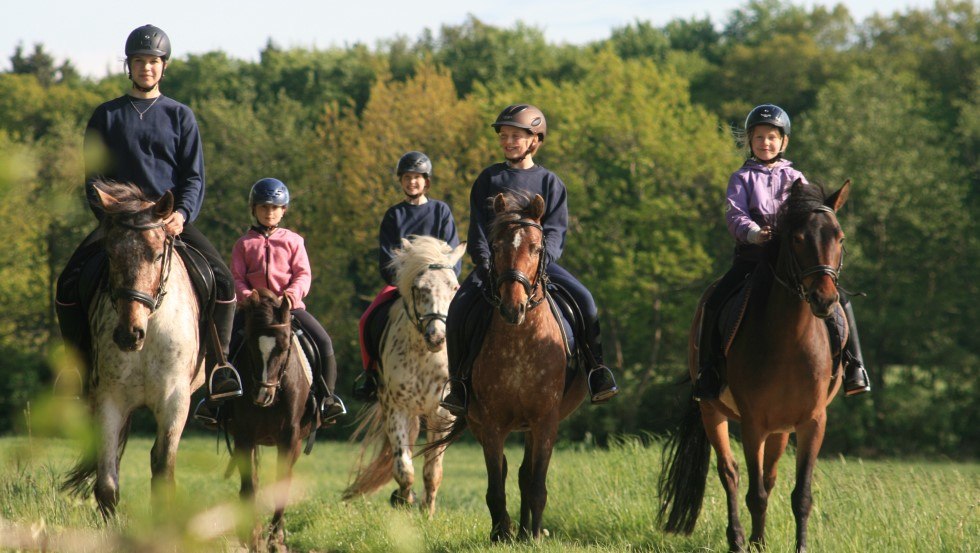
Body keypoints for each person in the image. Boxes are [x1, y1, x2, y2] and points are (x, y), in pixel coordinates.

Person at [55, 24, 242, 402]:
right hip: (120, 224)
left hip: (166, 222)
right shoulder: (106, 116)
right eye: (139, 61)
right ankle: (76, 368)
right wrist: (112, 219)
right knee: (68, 282)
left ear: (164, 67)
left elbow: (193, 177)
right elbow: (94, 180)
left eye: (153, 62)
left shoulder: (180, 116)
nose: (146, 68)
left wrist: (182, 215)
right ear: (129, 66)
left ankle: (220, 367)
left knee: (223, 282)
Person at [440, 104, 619, 416]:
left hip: (538, 268)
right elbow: (478, 226)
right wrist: (483, 262)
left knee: (586, 301)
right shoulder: (488, 178)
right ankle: (459, 385)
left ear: (535, 140)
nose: (509, 141)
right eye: (505, 136)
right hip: (492, 268)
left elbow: (556, 231)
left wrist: (538, 264)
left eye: (516, 136)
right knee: (458, 308)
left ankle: (596, 371)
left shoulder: (550, 183)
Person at [692, 103, 871, 401]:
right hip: (753, 257)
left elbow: (809, 215)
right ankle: (708, 371)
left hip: (792, 261)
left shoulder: (797, 178)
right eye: (760, 137)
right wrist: (754, 233)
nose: (766, 143)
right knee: (715, 301)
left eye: (772, 137)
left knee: (842, 303)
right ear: (750, 141)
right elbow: (735, 216)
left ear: (784, 141)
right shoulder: (741, 178)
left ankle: (855, 367)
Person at [195, 178, 346, 425]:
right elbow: (236, 277)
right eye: (264, 207)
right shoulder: (243, 244)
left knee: (323, 342)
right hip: (253, 311)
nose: (269, 212)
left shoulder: (294, 241)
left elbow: (302, 274)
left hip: (288, 309)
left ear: (283, 210)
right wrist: (247, 297)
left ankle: (327, 400)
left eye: (275, 207)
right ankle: (215, 403)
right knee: (222, 345)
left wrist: (291, 295)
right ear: (254, 209)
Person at [352, 151, 461, 402]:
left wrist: (442, 279)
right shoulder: (394, 215)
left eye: (418, 177)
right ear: (401, 181)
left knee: (468, 316)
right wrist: (405, 281)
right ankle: (371, 374)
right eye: (408, 177)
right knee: (366, 320)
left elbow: (452, 253)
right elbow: (387, 259)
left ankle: (466, 375)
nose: (413, 182)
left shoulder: (441, 211)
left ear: (427, 181)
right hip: (403, 286)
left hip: (440, 286)